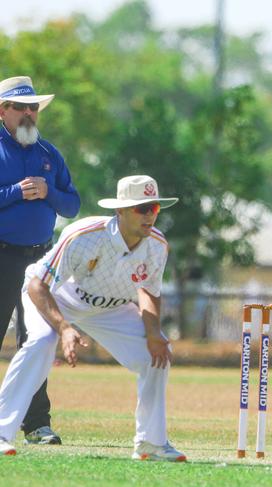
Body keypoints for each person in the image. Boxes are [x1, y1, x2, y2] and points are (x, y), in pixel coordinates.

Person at [0, 175, 186, 461]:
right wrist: (63, 328)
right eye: (142, 208)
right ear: (120, 211)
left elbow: (149, 291)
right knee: (41, 341)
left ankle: (151, 443)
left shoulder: (157, 245)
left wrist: (153, 333)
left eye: (154, 208)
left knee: (158, 354)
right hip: (55, 296)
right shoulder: (84, 236)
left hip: (108, 308)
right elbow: (39, 285)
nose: (150, 215)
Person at [0, 75, 80, 445]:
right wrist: (16, 192)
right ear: (3, 111)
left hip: (40, 262)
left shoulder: (49, 154)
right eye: (20, 107)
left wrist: (49, 193)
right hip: (2, 254)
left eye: (33, 107)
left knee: (37, 339)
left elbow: (73, 204)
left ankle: (35, 424)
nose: (29, 113)